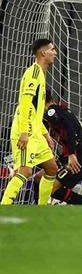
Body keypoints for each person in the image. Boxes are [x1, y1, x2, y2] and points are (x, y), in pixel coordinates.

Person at [0, 39, 60, 205]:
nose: (55, 53)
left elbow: (35, 112)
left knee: (52, 169)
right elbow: (25, 104)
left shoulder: (41, 74)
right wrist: (24, 132)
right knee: (25, 171)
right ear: (43, 53)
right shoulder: (33, 73)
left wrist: (46, 135)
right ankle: (4, 207)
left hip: (35, 132)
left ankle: (42, 209)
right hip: (25, 130)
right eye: (52, 49)